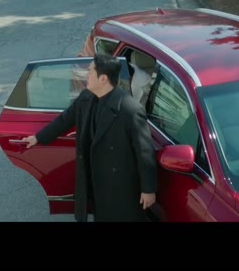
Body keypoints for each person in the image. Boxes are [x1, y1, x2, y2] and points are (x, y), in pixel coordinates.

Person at [20, 54, 157, 222]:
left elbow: (145, 153)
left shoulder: (130, 110)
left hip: (121, 185)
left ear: (103, 78)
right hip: (95, 179)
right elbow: (64, 120)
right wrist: (38, 137)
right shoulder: (86, 97)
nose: (86, 75)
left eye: (90, 71)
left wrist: (148, 189)